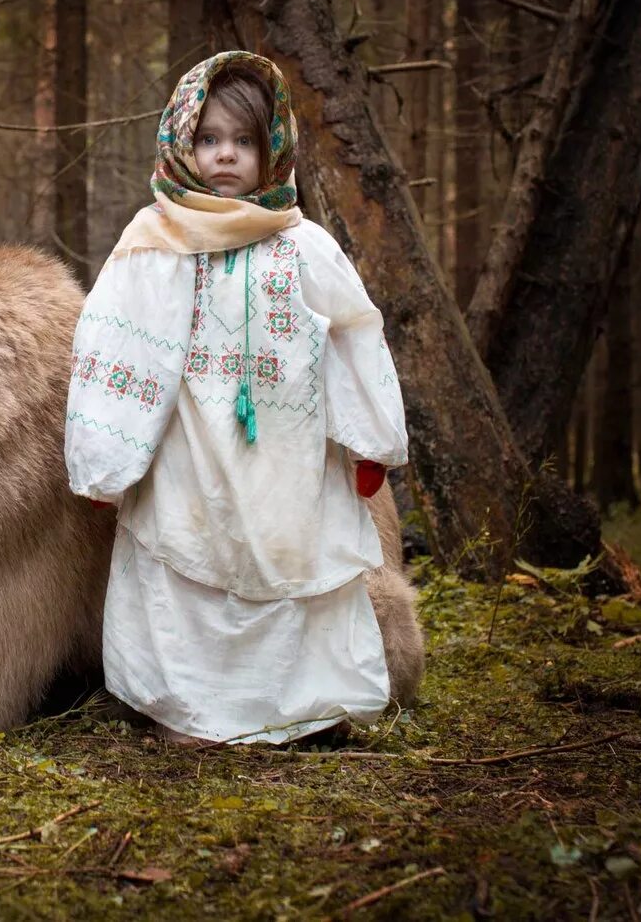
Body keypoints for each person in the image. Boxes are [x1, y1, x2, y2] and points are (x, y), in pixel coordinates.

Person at [63, 51, 408, 746]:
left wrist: (369, 441)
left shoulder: (303, 245)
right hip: (186, 450)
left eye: (243, 141)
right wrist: (105, 459)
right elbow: (113, 345)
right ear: (182, 144)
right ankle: (190, 713)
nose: (225, 156)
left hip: (288, 455)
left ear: (271, 148)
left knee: (293, 568)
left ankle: (300, 707)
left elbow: (351, 336)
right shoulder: (152, 246)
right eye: (210, 138)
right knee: (186, 570)